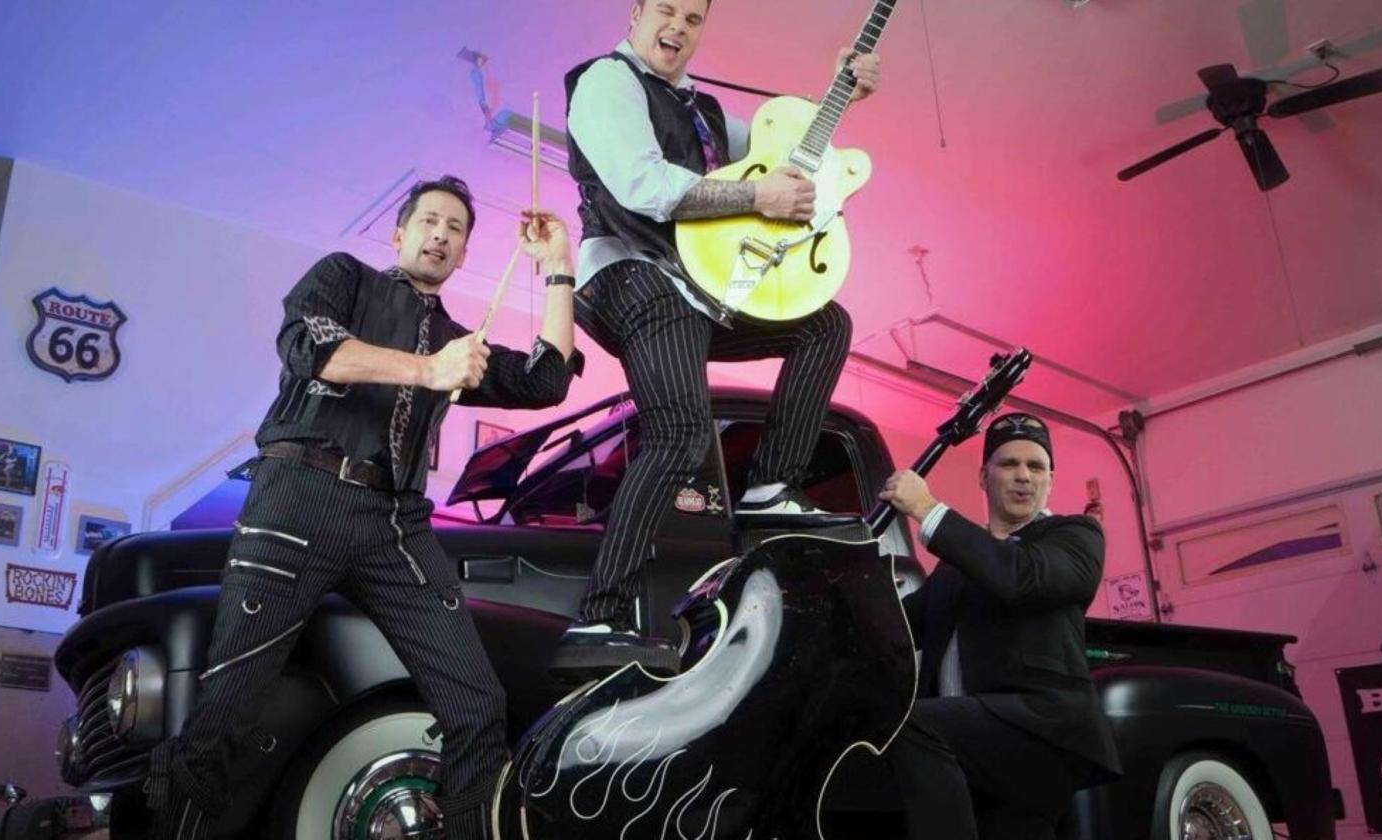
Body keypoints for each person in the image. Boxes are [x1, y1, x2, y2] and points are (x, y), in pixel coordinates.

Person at [145, 176, 582, 840]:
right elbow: (312, 350)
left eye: (456, 228)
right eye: (429, 220)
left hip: (395, 525)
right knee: (229, 707)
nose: (441, 234)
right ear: (399, 232)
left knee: (477, 703)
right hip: (300, 498)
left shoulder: (457, 340)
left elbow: (546, 380)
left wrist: (557, 268)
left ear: (464, 254)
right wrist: (429, 370)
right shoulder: (343, 277)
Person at [555, 0, 882, 676]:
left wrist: (840, 92)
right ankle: (599, 617)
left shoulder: (704, 114)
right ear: (638, 12)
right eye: (665, 10)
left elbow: (782, 158)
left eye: (693, 18)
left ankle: (770, 486)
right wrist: (755, 201)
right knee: (680, 432)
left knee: (825, 324)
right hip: (630, 275)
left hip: (695, 290)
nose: (676, 27)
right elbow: (644, 186)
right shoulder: (607, 82)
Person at [878, 413, 1122, 839]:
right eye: (1009, 464)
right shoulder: (955, 570)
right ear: (983, 476)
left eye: (1036, 466)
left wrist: (927, 509)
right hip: (969, 753)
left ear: (1051, 480)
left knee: (911, 722)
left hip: (1042, 732)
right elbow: (894, 628)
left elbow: (1018, 576)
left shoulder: (1077, 536)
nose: (1023, 476)